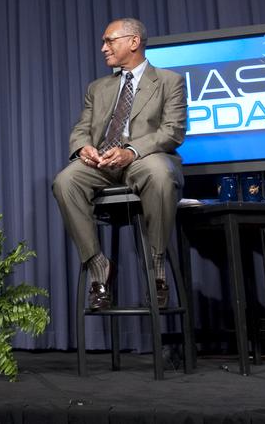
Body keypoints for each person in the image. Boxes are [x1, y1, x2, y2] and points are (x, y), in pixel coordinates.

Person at [52, 18, 186, 310]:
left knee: (160, 174)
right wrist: (83, 147)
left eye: (109, 41)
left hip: (143, 159)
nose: (103, 48)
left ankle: (156, 268)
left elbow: (172, 131)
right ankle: (99, 267)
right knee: (65, 181)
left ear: (133, 42)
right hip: (102, 162)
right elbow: (81, 128)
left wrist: (132, 151)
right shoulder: (97, 88)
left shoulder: (169, 81)